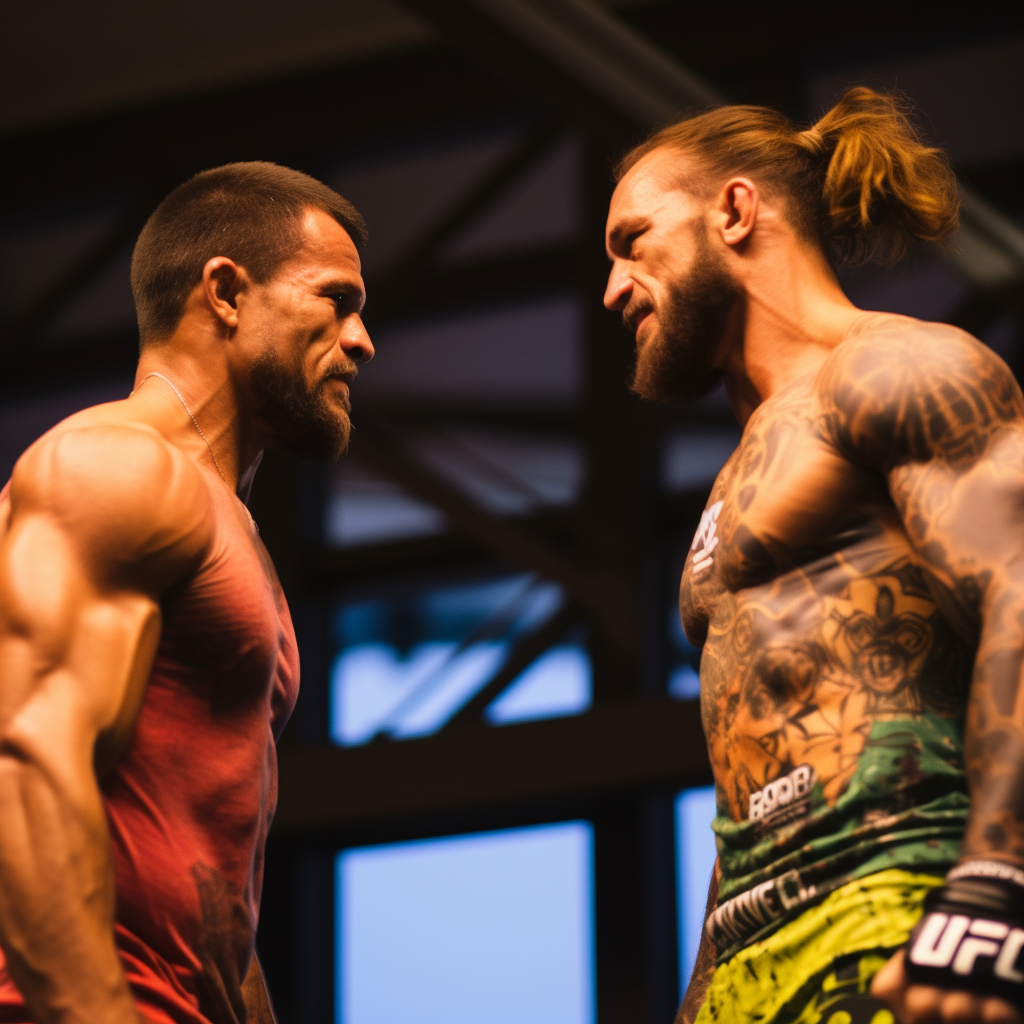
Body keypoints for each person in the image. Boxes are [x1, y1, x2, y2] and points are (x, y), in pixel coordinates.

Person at [604, 87, 1024, 1024]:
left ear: (736, 211)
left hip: (897, 899)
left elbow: (1020, 601)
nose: (613, 286)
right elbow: (751, 758)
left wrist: (995, 885)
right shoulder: (736, 470)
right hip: (753, 946)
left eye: (632, 241)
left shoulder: (899, 370)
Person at [0, 161, 373, 1024]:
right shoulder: (114, 466)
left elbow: (215, 892)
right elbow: (25, 760)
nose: (362, 340)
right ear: (226, 292)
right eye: (336, 300)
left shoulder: (229, 527)